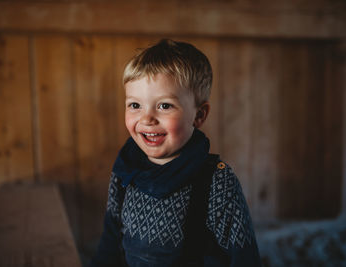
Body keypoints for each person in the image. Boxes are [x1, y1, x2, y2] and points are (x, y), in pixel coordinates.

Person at [90, 39, 262, 267]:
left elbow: (245, 258)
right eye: (135, 105)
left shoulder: (216, 182)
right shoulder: (126, 169)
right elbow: (110, 243)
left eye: (164, 106)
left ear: (199, 115)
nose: (146, 119)